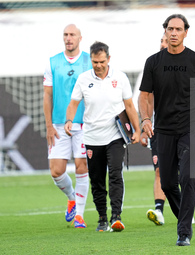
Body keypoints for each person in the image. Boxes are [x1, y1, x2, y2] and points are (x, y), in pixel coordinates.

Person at [139, 14, 195, 246]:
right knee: (168, 183)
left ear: (185, 32)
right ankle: (185, 215)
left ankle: (184, 232)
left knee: (187, 178)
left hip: (191, 128)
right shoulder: (153, 62)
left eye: (178, 29)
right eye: (170, 29)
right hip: (163, 129)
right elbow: (144, 96)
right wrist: (145, 120)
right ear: (165, 31)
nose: (173, 33)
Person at [64, 41, 140, 232]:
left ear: (108, 59)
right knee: (97, 180)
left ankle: (116, 216)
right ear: (91, 59)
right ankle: (102, 218)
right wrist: (69, 121)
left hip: (115, 135)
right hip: (91, 137)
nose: (98, 65)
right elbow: (74, 103)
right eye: (95, 62)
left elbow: (129, 106)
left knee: (115, 174)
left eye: (102, 61)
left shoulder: (120, 78)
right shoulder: (83, 79)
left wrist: (137, 130)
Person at [43, 24, 92, 228]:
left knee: (82, 166)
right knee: (56, 171)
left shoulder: (90, 61)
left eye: (72, 35)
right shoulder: (53, 62)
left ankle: (79, 215)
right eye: (65, 35)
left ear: (80, 38)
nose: (68, 38)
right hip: (58, 124)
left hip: (84, 123)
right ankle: (72, 197)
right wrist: (48, 125)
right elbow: (47, 95)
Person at [135, 34, 168, 226]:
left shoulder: (187, 64)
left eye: (166, 41)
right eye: (161, 41)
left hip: (181, 129)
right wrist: (143, 125)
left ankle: (183, 208)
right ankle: (159, 210)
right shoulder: (151, 66)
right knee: (159, 171)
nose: (163, 44)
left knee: (180, 172)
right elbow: (141, 98)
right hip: (157, 129)